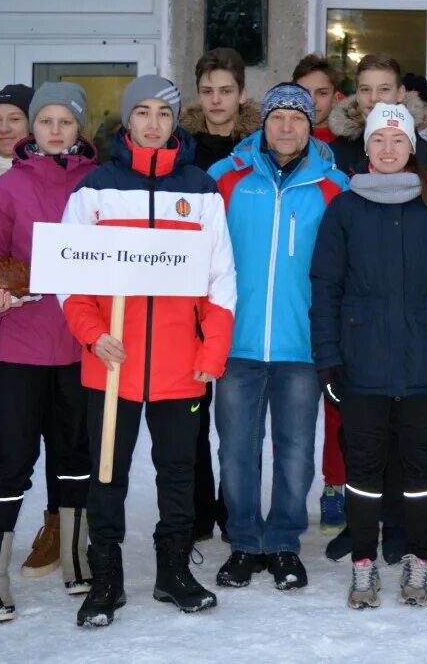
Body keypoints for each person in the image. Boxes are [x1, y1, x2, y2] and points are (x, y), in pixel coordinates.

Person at [63, 76, 237, 627]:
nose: (153, 123)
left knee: (178, 473)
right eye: (142, 112)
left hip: (179, 366)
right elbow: (72, 277)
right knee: (107, 474)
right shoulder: (95, 189)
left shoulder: (202, 189)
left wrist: (213, 351)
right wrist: (93, 333)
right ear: (127, 120)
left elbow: (221, 278)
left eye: (164, 113)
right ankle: (106, 576)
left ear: (175, 122)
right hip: (112, 362)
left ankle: (173, 572)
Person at [311, 101, 427, 609]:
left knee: (422, 472)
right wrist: (328, 359)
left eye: (396, 141)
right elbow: (325, 288)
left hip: (425, 365)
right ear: (366, 148)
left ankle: (416, 563)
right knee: (363, 469)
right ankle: (363, 566)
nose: (386, 149)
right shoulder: (344, 208)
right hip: (361, 365)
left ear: (411, 148)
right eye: (378, 140)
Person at [208, 83, 349, 590]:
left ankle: (285, 543)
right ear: (262, 123)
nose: (287, 127)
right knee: (236, 450)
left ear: (311, 125)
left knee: (294, 451)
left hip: (301, 346)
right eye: (277, 118)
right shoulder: (224, 179)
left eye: (297, 118)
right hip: (237, 344)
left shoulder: (335, 187)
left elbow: (346, 271)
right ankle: (245, 542)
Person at [0, 82, 98, 623]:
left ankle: (75, 559)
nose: (53, 130)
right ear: (31, 128)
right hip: (17, 346)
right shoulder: (9, 187)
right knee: (7, 458)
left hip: (78, 345)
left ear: (79, 128)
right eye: (44, 121)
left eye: (64, 121)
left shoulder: (100, 185)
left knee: (73, 458)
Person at [180, 47, 259, 542]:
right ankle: (195, 508)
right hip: (187, 294)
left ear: (241, 93)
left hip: (241, 293)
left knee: (236, 418)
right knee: (190, 413)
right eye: (207, 91)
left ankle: (236, 506)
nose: (216, 100)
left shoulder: (260, 145)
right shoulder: (181, 144)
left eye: (225, 90)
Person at [294, 53, 350, 532]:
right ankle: (287, 490)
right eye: (304, 92)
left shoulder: (348, 149)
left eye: (322, 93)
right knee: (290, 407)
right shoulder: (281, 143)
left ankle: (336, 486)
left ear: (337, 98)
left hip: (334, 297)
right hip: (289, 298)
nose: (312, 103)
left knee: (337, 403)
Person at [328, 54, 427, 191]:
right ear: (356, 93)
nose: (374, 98)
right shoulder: (335, 152)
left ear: (400, 93)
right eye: (365, 89)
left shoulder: (425, 156)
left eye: (384, 89)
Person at [293, 53, 342, 145]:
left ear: (335, 99)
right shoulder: (277, 137)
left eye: (322, 93)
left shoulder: (351, 144)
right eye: (304, 93)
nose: (312, 101)